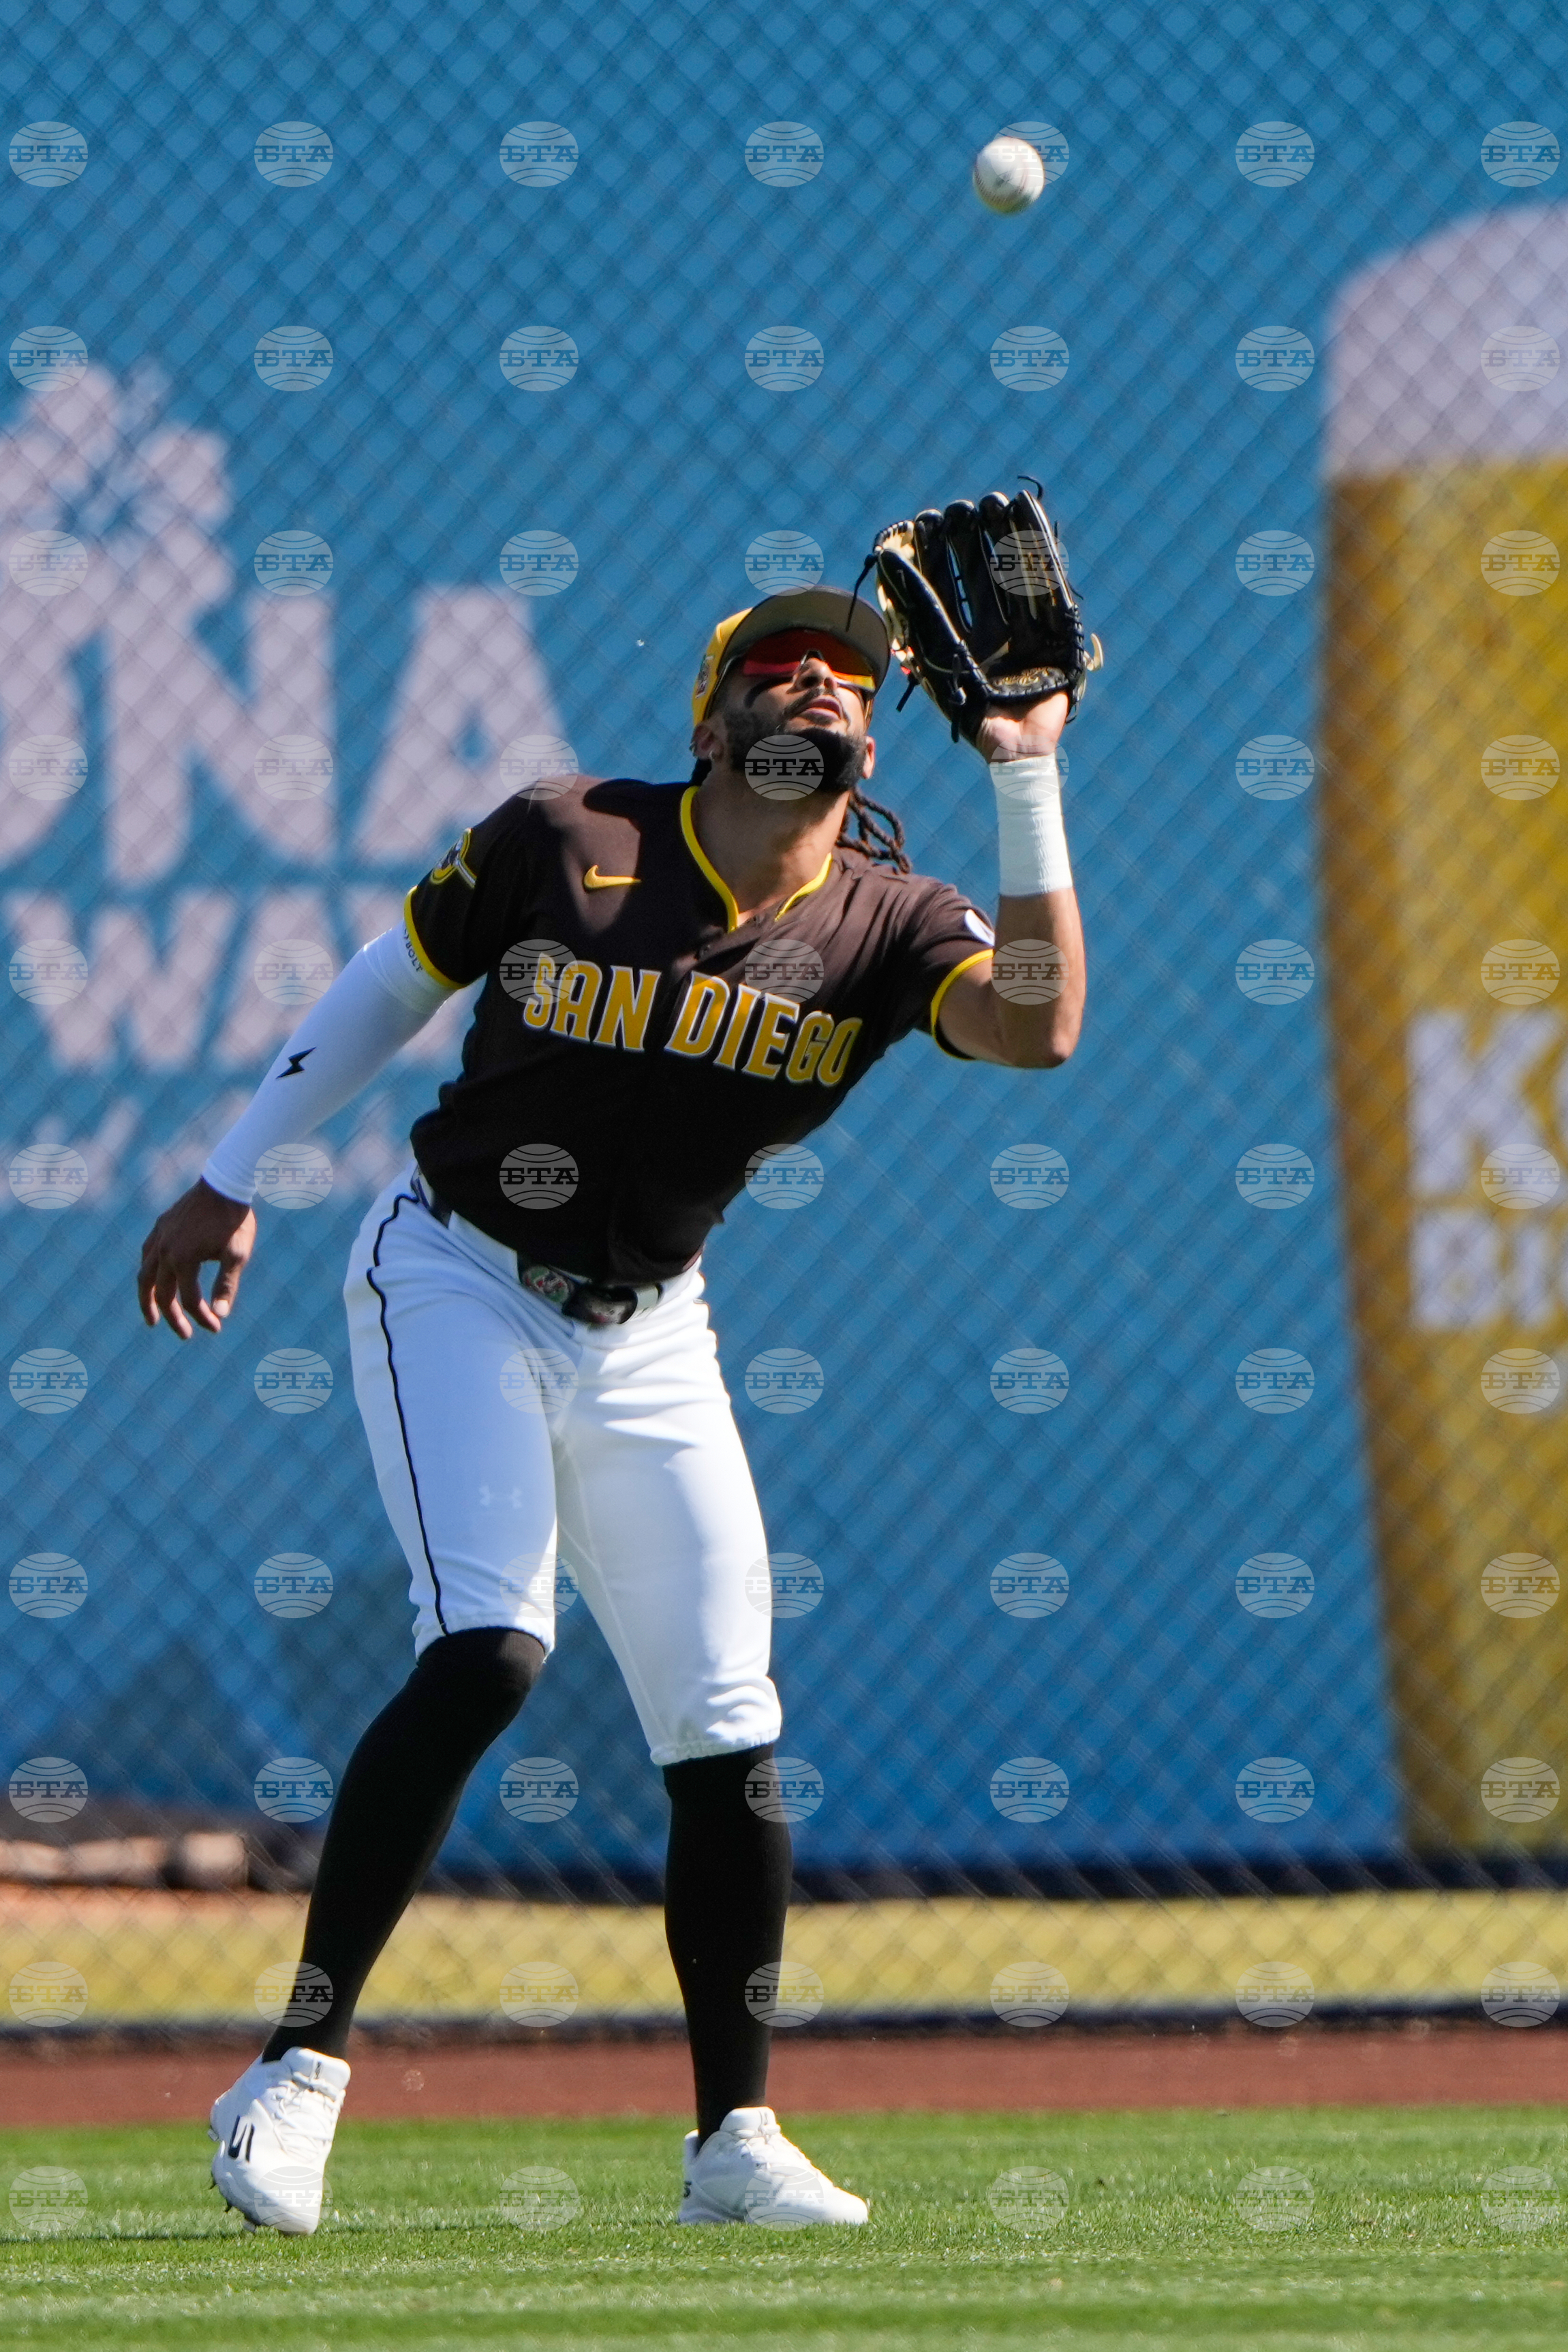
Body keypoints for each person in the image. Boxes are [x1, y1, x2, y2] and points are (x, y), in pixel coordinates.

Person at [137, 581, 1084, 2234]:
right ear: (712, 721)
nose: (816, 689)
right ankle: (289, 2076)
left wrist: (1023, 770)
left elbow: (1039, 1027)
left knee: (726, 1723)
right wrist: (232, 1175)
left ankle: (733, 2139)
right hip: (456, 1275)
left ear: (872, 741)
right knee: (492, 1647)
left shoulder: (884, 918)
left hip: (651, 1326)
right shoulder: (567, 831)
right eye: (776, 670)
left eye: (845, 679)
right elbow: (388, 981)